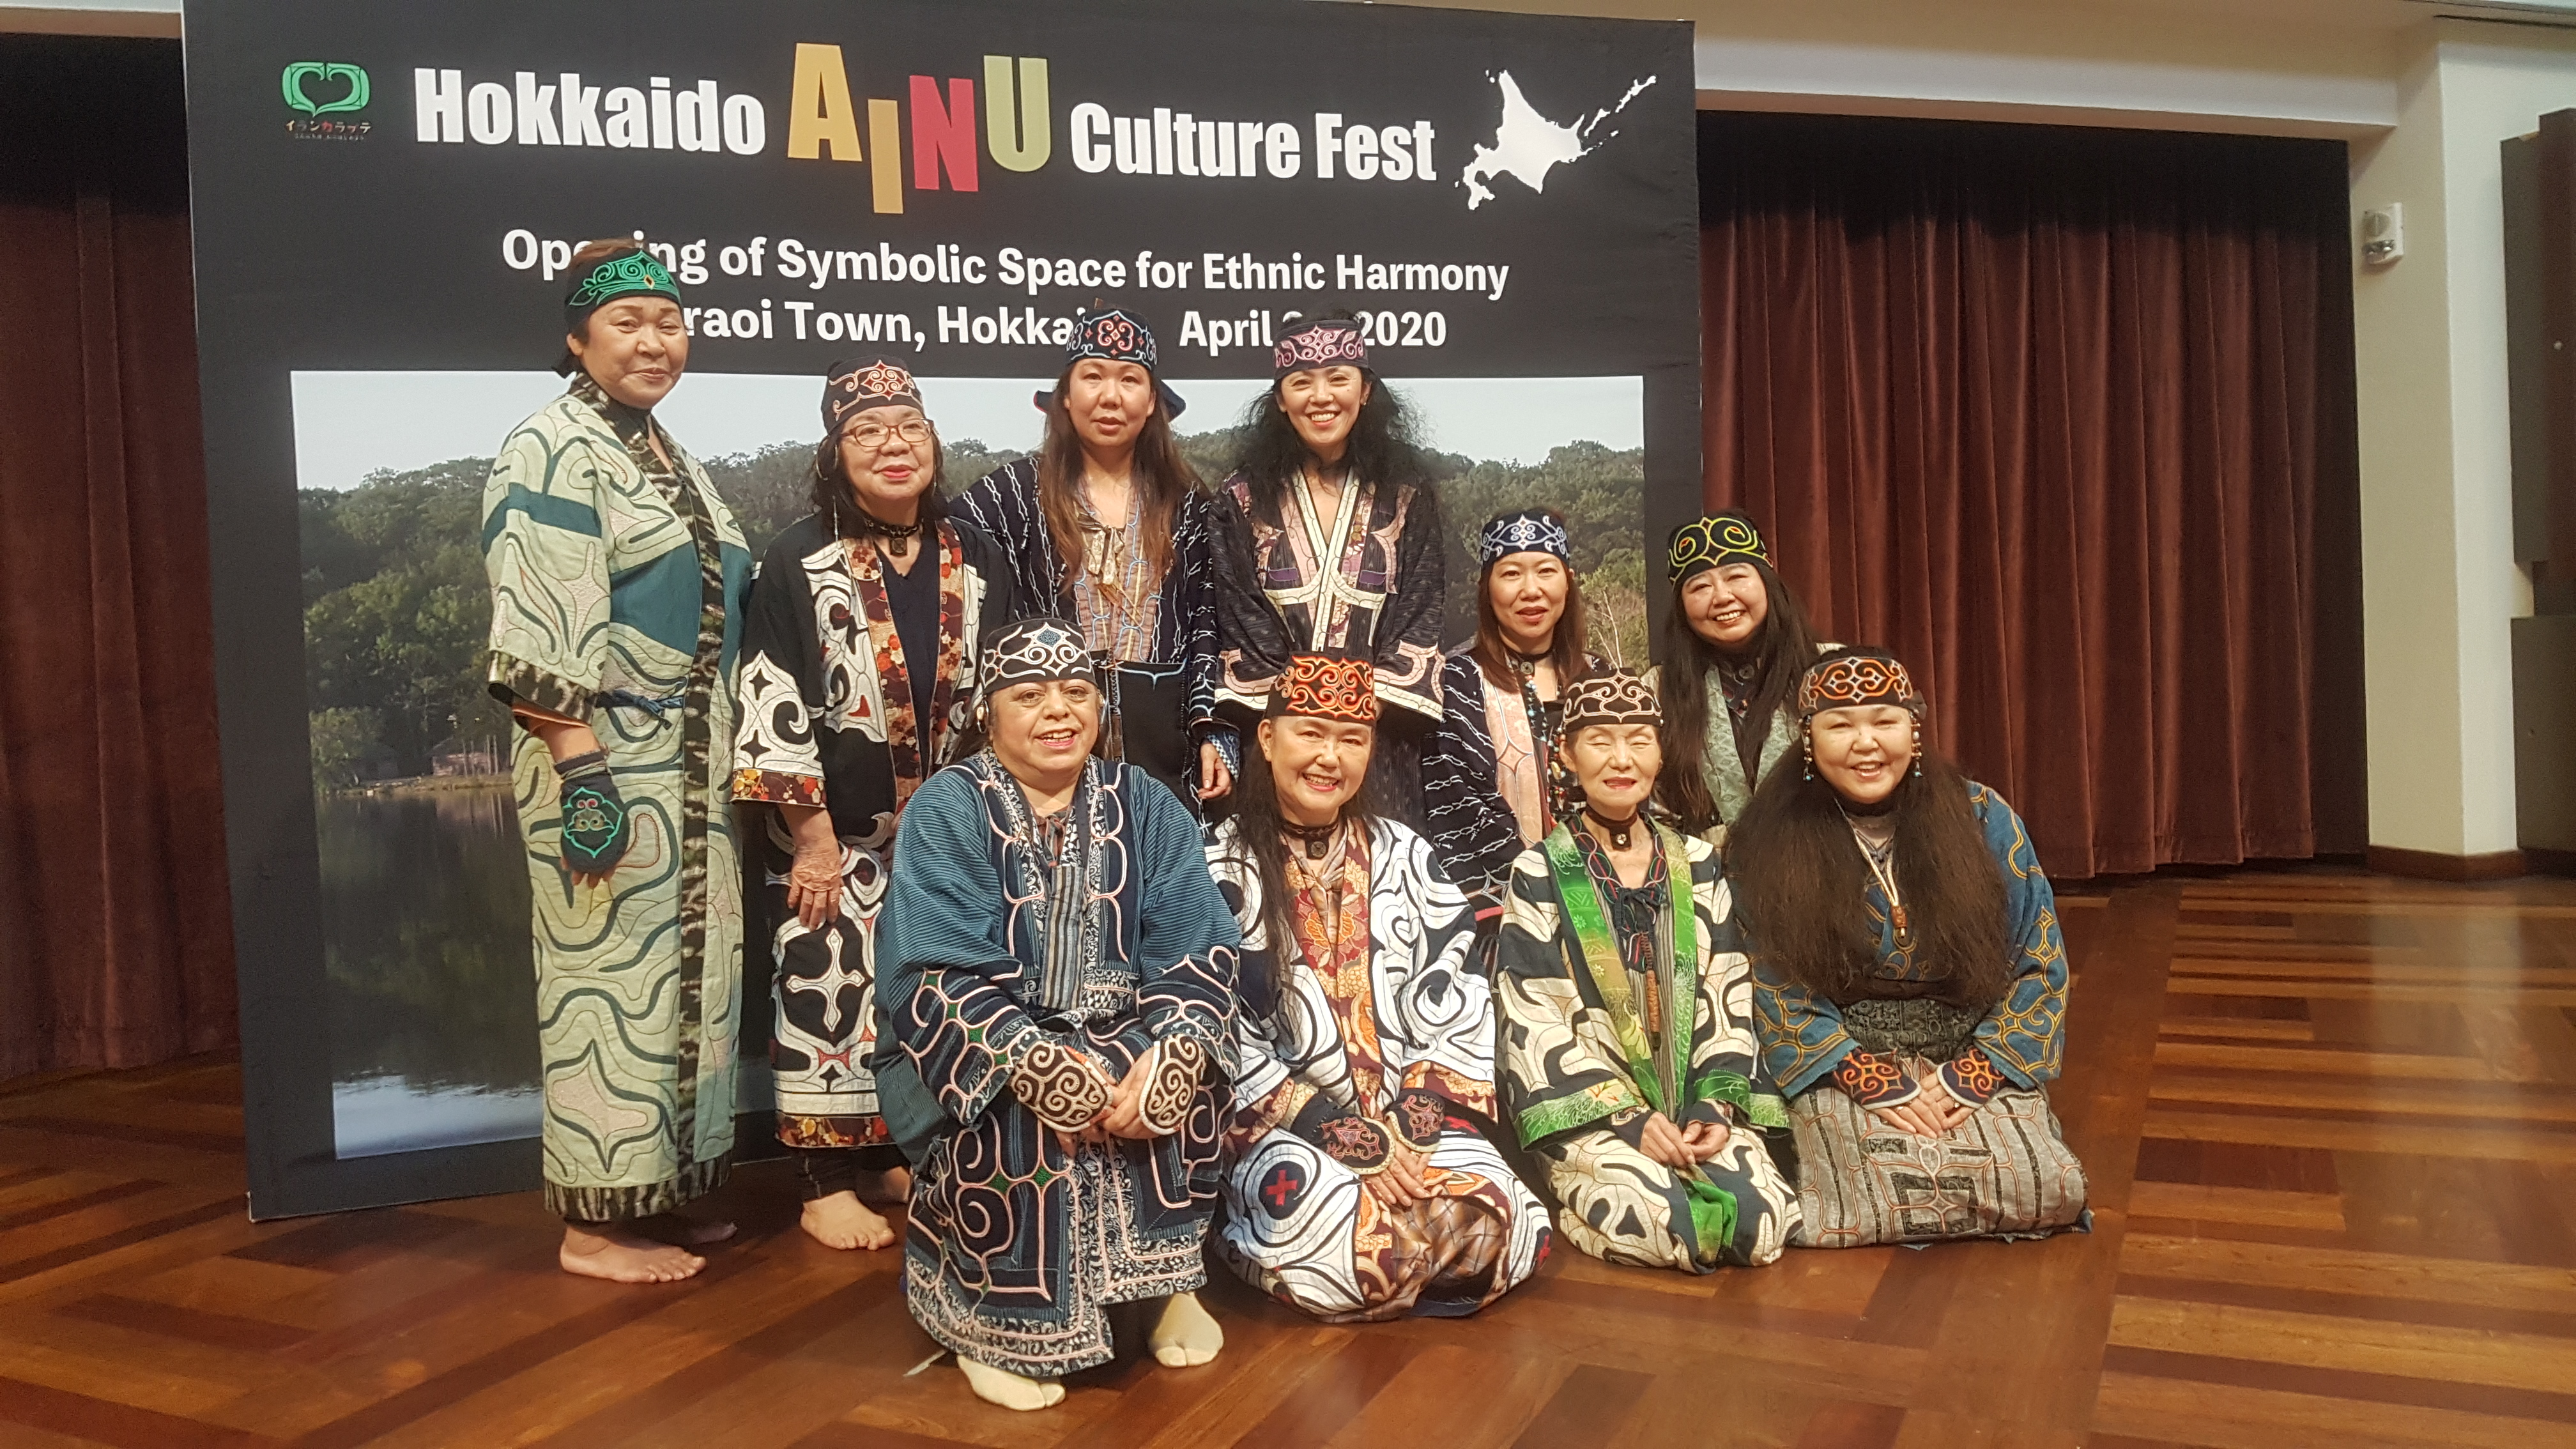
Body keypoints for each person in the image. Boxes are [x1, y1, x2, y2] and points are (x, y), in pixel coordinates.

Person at [877, 618, 1240, 1411]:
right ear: (988, 711)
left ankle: (1165, 1291)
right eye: (1029, 694)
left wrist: (1171, 1048)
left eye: (1077, 692)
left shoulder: (1144, 800)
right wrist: (1031, 1060)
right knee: (1016, 1106)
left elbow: (1196, 936)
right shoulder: (948, 807)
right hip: (987, 1033)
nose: (1059, 711)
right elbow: (932, 968)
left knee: (1193, 1067)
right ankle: (998, 1324)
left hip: (1124, 1024)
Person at [480, 238, 751, 1284]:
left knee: (685, 986)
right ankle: (593, 1226)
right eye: (628, 321)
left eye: (669, 320)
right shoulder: (551, 445)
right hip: (603, 765)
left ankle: (659, 1194)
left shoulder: (663, 451)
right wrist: (580, 766)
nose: (654, 339)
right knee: (607, 986)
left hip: (688, 775)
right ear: (576, 337)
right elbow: (541, 623)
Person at [732, 358, 1012, 1252]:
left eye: (910, 430)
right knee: (826, 982)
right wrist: (809, 837)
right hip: (831, 832)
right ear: (834, 451)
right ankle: (821, 1180)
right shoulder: (796, 557)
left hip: (942, 831)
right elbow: (768, 692)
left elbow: (1002, 693)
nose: (894, 448)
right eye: (868, 434)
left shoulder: (976, 556)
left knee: (919, 992)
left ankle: (890, 1147)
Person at [1204, 654, 1548, 1321]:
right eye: (1310, 733)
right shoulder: (1215, 864)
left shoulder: (1406, 853)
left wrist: (1411, 1123)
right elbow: (1216, 1025)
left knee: (1489, 1220)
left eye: (1352, 739)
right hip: (1284, 1132)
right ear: (1268, 740)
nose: (1330, 757)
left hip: (1410, 1120)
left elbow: (1456, 992)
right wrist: (1341, 1136)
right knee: (1374, 1250)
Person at [1732, 649, 2085, 1248]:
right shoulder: (1766, 838)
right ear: (1808, 739)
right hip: (1846, 1053)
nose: (1865, 743)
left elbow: (2040, 958)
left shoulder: (1982, 816)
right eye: (1840, 725)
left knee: (2045, 1188)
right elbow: (1771, 980)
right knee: (1849, 1200)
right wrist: (1862, 1075)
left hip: (1968, 1044)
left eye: (1885, 721)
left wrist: (1973, 1074)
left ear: (1914, 729)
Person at [1495, 672, 1802, 1272]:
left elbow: (1726, 987)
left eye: (1638, 739)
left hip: (1695, 1103)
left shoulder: (1698, 862)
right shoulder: (1537, 870)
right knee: (1675, 1227)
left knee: (1759, 1223)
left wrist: (1714, 1107)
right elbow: (1535, 1012)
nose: (1620, 759)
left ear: (1660, 753)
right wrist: (1630, 1118)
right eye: (1599, 740)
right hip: (1594, 1111)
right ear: (1566, 754)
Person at [955, 308, 1232, 816]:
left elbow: (1208, 622)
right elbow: (956, 579)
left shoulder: (1187, 502)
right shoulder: (1011, 494)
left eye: (1130, 380)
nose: (1110, 396)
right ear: (1065, 395)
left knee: (1157, 875)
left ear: (1152, 402)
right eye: (1093, 377)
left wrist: (1212, 728)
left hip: (1165, 742)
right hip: (1051, 736)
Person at [1211, 315, 1445, 827]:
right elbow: (1240, 616)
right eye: (1301, 383)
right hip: (1280, 747)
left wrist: (1354, 721)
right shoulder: (1241, 498)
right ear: (1279, 399)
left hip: (1377, 746)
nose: (1321, 397)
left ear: (1364, 392)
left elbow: (1420, 610)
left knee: (1381, 885)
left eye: (1338, 378)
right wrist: (1304, 730)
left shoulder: (1407, 493)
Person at [1423, 507, 1604, 927]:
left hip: (1607, 902)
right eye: (1510, 574)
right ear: (1486, 589)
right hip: (1504, 915)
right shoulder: (1456, 680)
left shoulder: (1602, 680)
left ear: (1569, 581)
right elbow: (1461, 808)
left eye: (1545, 571)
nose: (1531, 590)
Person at [1648, 511, 1829, 845]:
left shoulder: (1832, 669)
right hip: (1704, 880)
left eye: (1736, 578)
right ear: (1681, 606)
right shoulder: (1656, 689)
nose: (1722, 597)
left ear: (1766, 581)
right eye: (1700, 586)